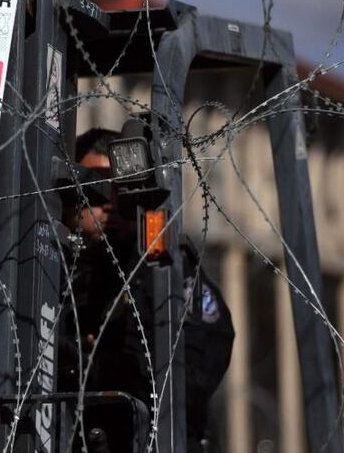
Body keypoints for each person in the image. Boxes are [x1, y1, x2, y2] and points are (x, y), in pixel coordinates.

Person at [59, 128, 235, 453]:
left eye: (119, 189)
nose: (110, 204)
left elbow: (189, 376)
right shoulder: (44, 270)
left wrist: (106, 361)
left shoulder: (164, 269)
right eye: (95, 189)